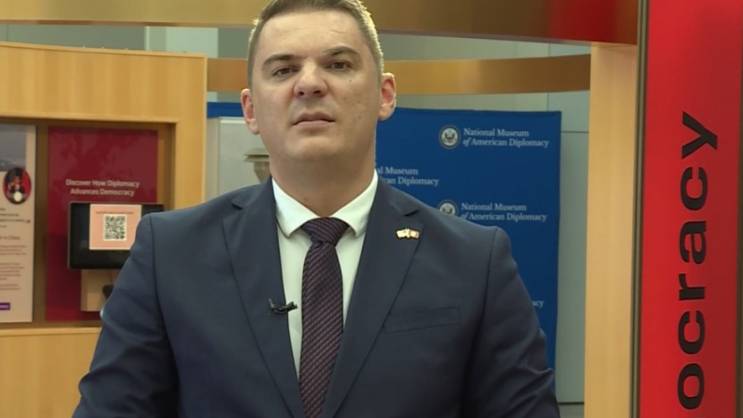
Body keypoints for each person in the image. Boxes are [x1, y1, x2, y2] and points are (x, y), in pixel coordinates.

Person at [73, 0, 559, 417]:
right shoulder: (170, 255)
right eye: (283, 70)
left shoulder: (474, 262)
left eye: (338, 64)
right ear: (250, 109)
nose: (309, 84)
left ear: (385, 95)